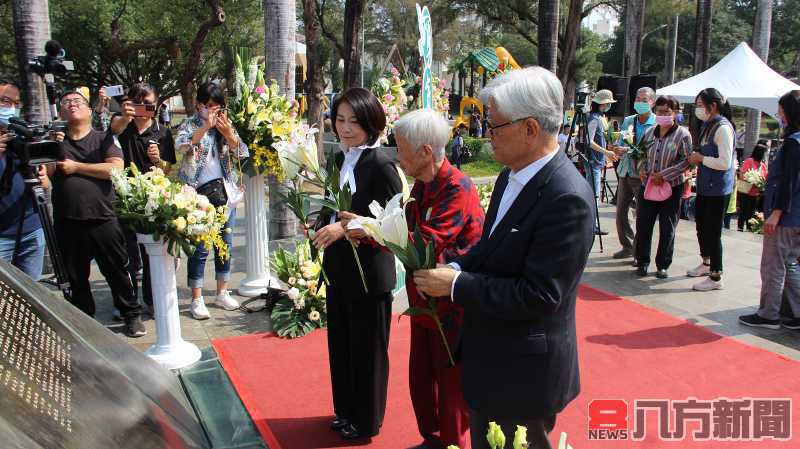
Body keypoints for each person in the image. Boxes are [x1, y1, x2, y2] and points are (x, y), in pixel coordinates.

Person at [413, 67, 595, 449]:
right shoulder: (509, 176)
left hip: (523, 372)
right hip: (492, 358)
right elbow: (491, 247)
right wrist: (459, 266)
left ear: (530, 129)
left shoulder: (566, 198)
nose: (487, 135)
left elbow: (540, 295)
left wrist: (458, 285)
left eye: (495, 127)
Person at [344, 109, 484, 449]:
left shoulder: (457, 188)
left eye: (402, 149)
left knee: (451, 393)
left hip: (452, 311)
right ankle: (433, 440)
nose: (397, 156)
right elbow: (402, 228)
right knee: (423, 385)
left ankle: (453, 444)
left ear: (425, 152)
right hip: (424, 306)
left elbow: (421, 241)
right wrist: (365, 228)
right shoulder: (421, 187)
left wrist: (368, 228)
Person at [311, 87, 402, 441]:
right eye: (340, 119)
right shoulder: (339, 159)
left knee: (368, 352)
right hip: (340, 270)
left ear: (371, 123)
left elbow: (394, 222)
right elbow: (331, 207)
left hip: (370, 274)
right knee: (342, 347)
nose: (345, 128)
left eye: (354, 121)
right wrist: (319, 226)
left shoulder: (381, 164)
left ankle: (366, 422)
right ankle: (346, 411)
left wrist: (347, 226)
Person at [50, 89, 145, 337]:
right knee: (76, 277)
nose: (72, 104)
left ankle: (131, 316)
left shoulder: (104, 138)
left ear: (90, 110)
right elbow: (47, 176)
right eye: (66, 102)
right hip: (67, 221)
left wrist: (76, 167)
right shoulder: (55, 142)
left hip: (102, 219)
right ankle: (84, 322)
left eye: (77, 101)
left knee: (117, 271)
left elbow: (114, 170)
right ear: (61, 111)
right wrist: (52, 147)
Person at [175, 82, 247, 320]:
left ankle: (222, 292)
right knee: (200, 248)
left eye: (217, 107)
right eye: (208, 107)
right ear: (199, 106)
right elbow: (182, 145)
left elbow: (242, 153)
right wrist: (205, 126)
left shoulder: (226, 125)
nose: (213, 112)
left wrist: (228, 134)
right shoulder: (190, 124)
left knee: (223, 245)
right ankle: (196, 298)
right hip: (197, 195)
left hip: (225, 192)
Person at [111, 83, 177, 312]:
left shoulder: (162, 131)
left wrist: (158, 160)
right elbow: (112, 130)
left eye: (149, 104)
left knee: (152, 253)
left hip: (152, 200)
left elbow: (169, 169)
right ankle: (127, 303)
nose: (145, 108)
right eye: (139, 103)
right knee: (127, 254)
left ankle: (152, 299)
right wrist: (124, 116)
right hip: (124, 198)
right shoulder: (122, 127)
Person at [739, 91, 800, 330]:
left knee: (774, 265)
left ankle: (768, 314)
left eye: (781, 110)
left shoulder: (794, 143)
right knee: (791, 263)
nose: (778, 115)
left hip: (786, 216)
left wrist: (775, 213)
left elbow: (789, 183)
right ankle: (796, 313)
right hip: (795, 216)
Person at [634, 96, 691, 279]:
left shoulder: (683, 134)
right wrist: (642, 169)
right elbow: (640, 154)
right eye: (660, 111)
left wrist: (665, 175)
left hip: (672, 187)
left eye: (667, 112)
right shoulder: (650, 132)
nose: (663, 115)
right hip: (648, 185)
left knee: (668, 227)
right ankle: (642, 261)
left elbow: (687, 161)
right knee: (644, 224)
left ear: (675, 113)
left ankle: (663, 264)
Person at [686, 88, 736, 291]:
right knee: (702, 226)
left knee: (713, 232)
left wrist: (701, 159)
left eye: (700, 106)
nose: (698, 110)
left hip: (718, 188)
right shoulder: (708, 125)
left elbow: (725, 162)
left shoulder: (722, 128)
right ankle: (706, 262)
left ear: (712, 106)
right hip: (706, 185)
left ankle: (716, 276)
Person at [0, 79, 48, 280]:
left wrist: (44, 179)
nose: (11, 107)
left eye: (15, 103)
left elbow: (46, 184)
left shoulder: (23, 137)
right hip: (1, 236)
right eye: (4, 101)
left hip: (32, 230)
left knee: (34, 298)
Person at [611, 87, 656, 260]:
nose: (640, 102)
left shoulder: (655, 123)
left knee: (642, 215)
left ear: (652, 102)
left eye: (644, 100)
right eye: (638, 98)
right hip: (625, 171)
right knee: (621, 212)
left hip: (643, 174)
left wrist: (629, 151)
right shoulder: (629, 120)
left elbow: (651, 149)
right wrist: (617, 147)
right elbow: (621, 140)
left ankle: (639, 251)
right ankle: (627, 246)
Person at [585, 89, 618, 235]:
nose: (609, 106)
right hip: (593, 161)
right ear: (603, 104)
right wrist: (606, 152)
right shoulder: (594, 118)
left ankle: (592, 224)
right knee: (595, 194)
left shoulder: (598, 117)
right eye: (608, 103)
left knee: (594, 193)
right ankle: (593, 225)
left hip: (596, 160)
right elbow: (589, 141)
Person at [737, 144, 768, 231]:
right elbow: (742, 174)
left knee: (752, 211)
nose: (765, 155)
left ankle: (749, 227)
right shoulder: (749, 161)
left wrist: (761, 182)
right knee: (744, 210)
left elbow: (765, 177)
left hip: (755, 193)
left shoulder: (763, 166)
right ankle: (740, 227)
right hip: (746, 190)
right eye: (764, 153)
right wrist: (751, 180)